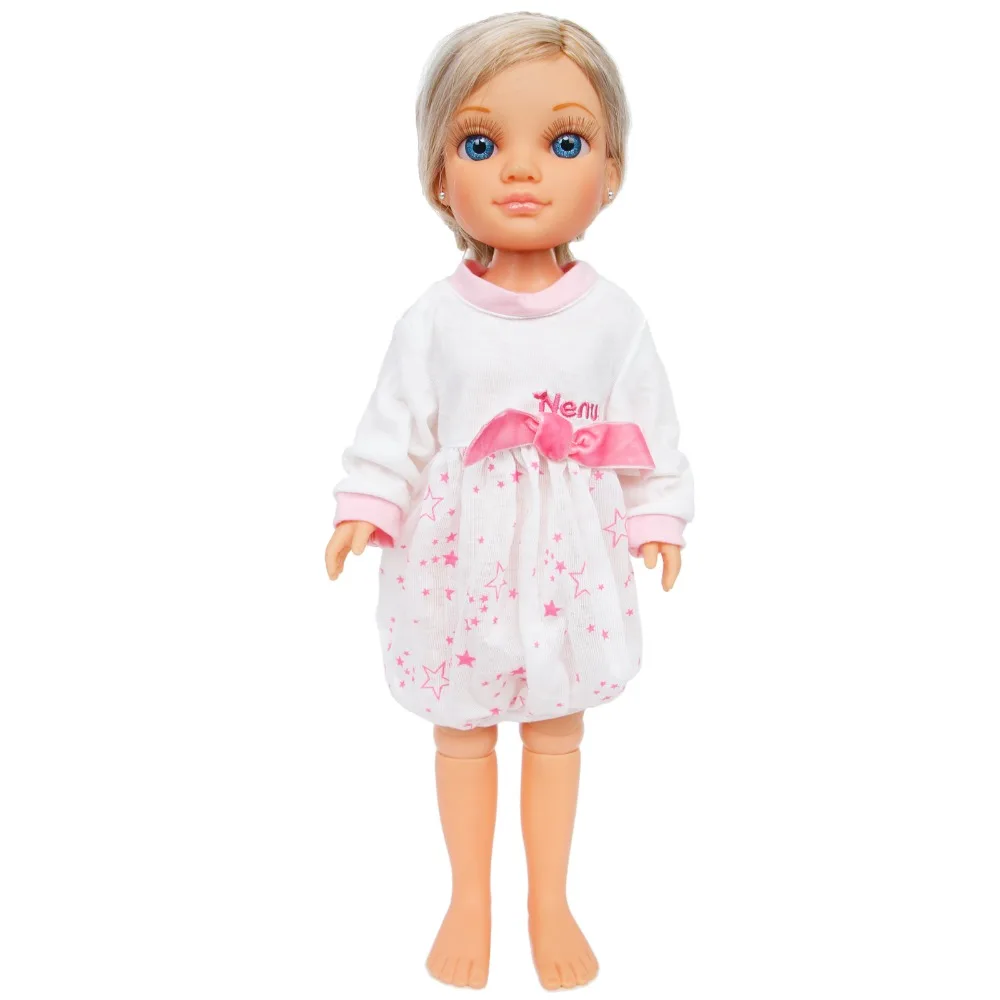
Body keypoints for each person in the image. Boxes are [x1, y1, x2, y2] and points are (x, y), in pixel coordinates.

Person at [325, 12, 694, 990]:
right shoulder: (433, 319)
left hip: (569, 561)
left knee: (557, 725)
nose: (521, 171)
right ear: (438, 174)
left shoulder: (613, 318)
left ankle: (549, 898)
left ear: (611, 170)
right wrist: (366, 505)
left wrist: (658, 518)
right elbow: (394, 427)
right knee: (461, 727)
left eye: (564, 143)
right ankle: (468, 898)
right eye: (482, 144)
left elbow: (648, 428)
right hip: (459, 562)